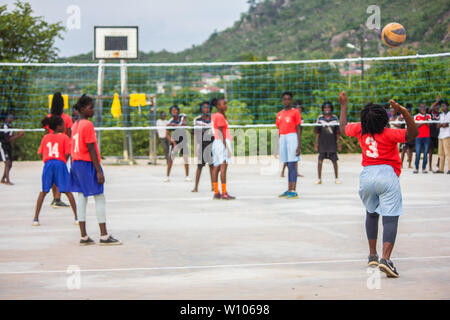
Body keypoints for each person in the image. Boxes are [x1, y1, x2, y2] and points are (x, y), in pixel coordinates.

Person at [340, 91, 419, 278]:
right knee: (391, 217)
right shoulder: (390, 133)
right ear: (384, 119)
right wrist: (404, 112)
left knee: (371, 213)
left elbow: (342, 127)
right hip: (387, 175)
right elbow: (413, 133)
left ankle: (372, 255)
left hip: (367, 176)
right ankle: (386, 259)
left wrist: (343, 105)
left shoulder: (360, 129)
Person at [70, 94, 121, 246]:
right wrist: (98, 171)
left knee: (81, 197)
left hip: (76, 164)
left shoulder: (75, 125)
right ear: (83, 109)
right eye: (91, 107)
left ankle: (84, 236)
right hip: (87, 164)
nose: (93, 110)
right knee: (99, 197)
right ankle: (104, 236)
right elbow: (91, 148)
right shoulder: (87, 124)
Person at [33, 115, 77, 226]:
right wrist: (63, 163)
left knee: (44, 191)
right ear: (58, 126)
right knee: (67, 191)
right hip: (60, 164)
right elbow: (67, 153)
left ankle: (36, 218)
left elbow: (41, 153)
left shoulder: (45, 137)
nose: (64, 126)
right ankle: (77, 217)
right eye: (63, 124)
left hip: (48, 164)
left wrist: (48, 163)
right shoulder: (65, 137)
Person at [46, 92, 74, 207]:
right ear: (63, 104)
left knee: (53, 174)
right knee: (61, 173)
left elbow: (46, 135)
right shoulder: (66, 118)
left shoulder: (48, 118)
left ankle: (55, 198)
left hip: (51, 150)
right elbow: (69, 134)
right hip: (63, 150)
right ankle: (58, 199)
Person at [276, 92, 302, 199]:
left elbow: (298, 128)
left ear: (291, 100)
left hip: (292, 137)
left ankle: (293, 190)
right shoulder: (279, 114)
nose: (286, 101)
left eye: (288, 99)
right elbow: (279, 130)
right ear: (282, 101)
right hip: (283, 138)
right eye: (284, 99)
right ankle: (289, 188)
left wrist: (298, 145)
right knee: (287, 164)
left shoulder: (295, 112)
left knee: (292, 164)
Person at [211, 98, 235, 200]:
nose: (226, 105)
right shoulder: (220, 116)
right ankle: (224, 193)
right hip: (222, 143)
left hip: (216, 143)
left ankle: (216, 192)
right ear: (218, 106)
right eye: (223, 104)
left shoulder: (215, 115)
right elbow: (221, 134)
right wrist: (227, 149)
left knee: (216, 166)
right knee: (223, 167)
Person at [314, 101, 341, 184]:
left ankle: (336, 178)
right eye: (325, 108)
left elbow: (337, 133)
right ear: (323, 109)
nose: (327, 109)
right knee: (320, 160)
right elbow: (317, 132)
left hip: (332, 143)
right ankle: (319, 179)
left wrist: (339, 143)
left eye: (328, 107)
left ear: (331, 108)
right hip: (322, 143)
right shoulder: (320, 118)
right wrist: (316, 143)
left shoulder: (335, 118)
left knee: (334, 161)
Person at [192, 101, 214, 192]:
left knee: (212, 166)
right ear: (201, 108)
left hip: (212, 145)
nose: (206, 109)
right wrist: (195, 148)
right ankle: (196, 187)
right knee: (199, 167)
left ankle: (213, 186)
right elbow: (195, 135)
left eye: (208, 107)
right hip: (202, 145)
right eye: (204, 107)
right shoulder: (197, 120)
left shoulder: (213, 119)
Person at [165, 105, 190, 182]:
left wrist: (173, 125)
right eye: (172, 110)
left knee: (185, 158)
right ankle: (167, 176)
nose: (174, 112)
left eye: (175, 110)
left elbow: (184, 125)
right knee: (170, 159)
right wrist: (173, 142)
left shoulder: (182, 118)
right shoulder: (170, 121)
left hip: (183, 140)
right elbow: (167, 134)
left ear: (178, 111)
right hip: (174, 140)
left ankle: (187, 176)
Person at [281, 100, 304, 178]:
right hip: (291, 138)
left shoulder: (300, 117)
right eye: (298, 108)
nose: (299, 110)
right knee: (289, 157)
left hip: (297, 138)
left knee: (295, 157)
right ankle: (283, 171)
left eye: (300, 109)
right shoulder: (291, 116)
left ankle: (296, 172)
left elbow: (300, 129)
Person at [0, 112, 24, 185]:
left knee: (10, 164)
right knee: (7, 163)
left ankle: (3, 179)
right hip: (2, 145)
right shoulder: (4, 126)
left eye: (12, 117)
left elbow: (11, 138)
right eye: (10, 117)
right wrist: (18, 135)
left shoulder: (10, 126)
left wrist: (18, 135)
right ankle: (7, 181)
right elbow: (7, 139)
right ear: (6, 119)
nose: (12, 118)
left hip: (8, 146)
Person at [413, 103, 432, 173]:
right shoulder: (416, 116)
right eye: (421, 107)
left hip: (427, 137)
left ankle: (424, 168)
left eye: (424, 107)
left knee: (425, 153)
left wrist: (425, 116)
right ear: (419, 108)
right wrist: (424, 122)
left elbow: (429, 125)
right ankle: (416, 168)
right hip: (418, 137)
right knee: (417, 153)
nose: (423, 108)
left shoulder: (428, 116)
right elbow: (416, 126)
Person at [435, 100, 450, 174]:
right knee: (440, 153)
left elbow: (446, 125)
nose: (442, 107)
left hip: (447, 135)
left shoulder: (449, 114)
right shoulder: (441, 115)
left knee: (448, 153)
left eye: (444, 106)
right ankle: (441, 169)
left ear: (447, 106)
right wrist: (441, 125)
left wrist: (441, 125)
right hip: (441, 135)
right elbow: (439, 125)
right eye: (442, 106)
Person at [428, 97, 441, 172]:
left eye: (438, 107)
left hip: (439, 135)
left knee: (440, 151)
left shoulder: (440, 114)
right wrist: (436, 101)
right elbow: (430, 108)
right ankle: (430, 166)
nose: (437, 108)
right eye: (436, 107)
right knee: (431, 151)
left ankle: (438, 164)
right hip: (431, 135)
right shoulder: (431, 114)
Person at [399, 103, 414, 168]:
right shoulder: (403, 115)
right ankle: (401, 164)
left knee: (410, 149)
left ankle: (409, 164)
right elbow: (400, 120)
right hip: (404, 133)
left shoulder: (411, 116)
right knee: (404, 149)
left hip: (410, 133)